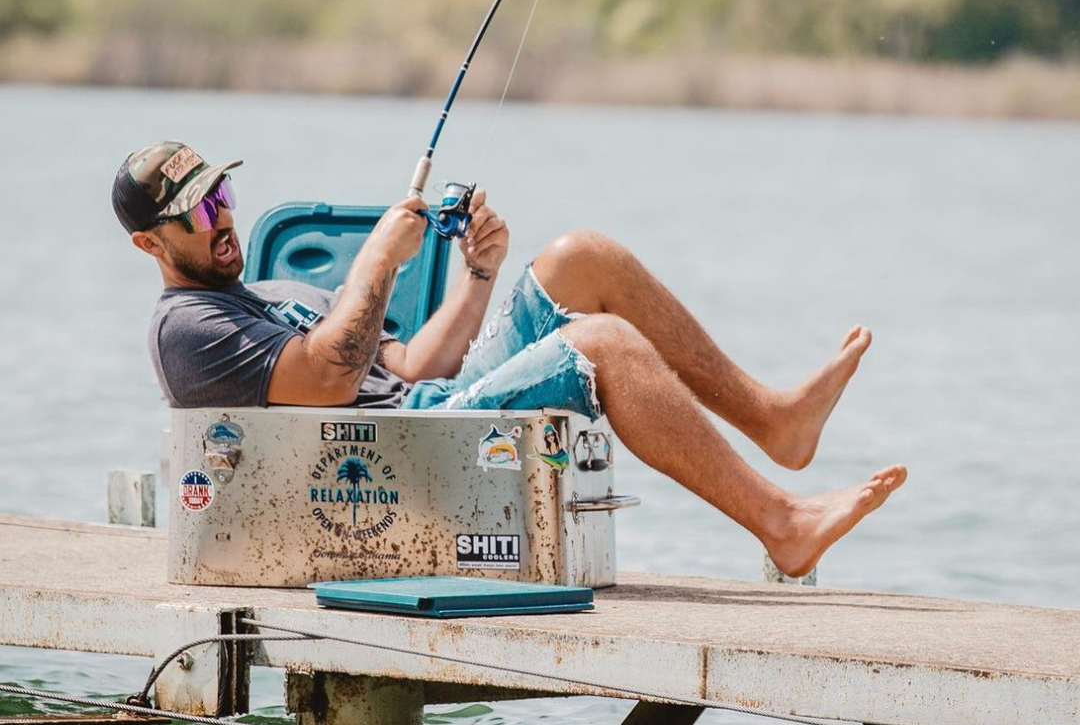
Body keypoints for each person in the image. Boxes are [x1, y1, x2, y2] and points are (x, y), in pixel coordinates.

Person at [113, 140, 906, 577]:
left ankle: (775, 421)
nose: (222, 219)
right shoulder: (184, 328)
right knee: (597, 346)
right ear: (151, 242)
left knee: (581, 257)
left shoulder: (275, 291)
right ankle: (781, 523)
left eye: (222, 195)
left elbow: (418, 363)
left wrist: (480, 274)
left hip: (425, 410)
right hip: (394, 462)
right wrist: (378, 262)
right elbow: (326, 379)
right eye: (197, 213)